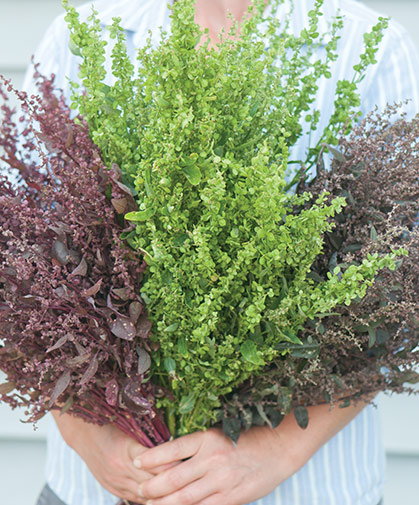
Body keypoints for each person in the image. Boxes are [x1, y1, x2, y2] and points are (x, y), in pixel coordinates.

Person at [23, 1, 419, 504]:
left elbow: (400, 295)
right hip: (97, 490)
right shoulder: (82, 36)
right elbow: (19, 271)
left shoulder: (373, 47)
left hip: (305, 489)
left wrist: (271, 453)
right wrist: (91, 435)